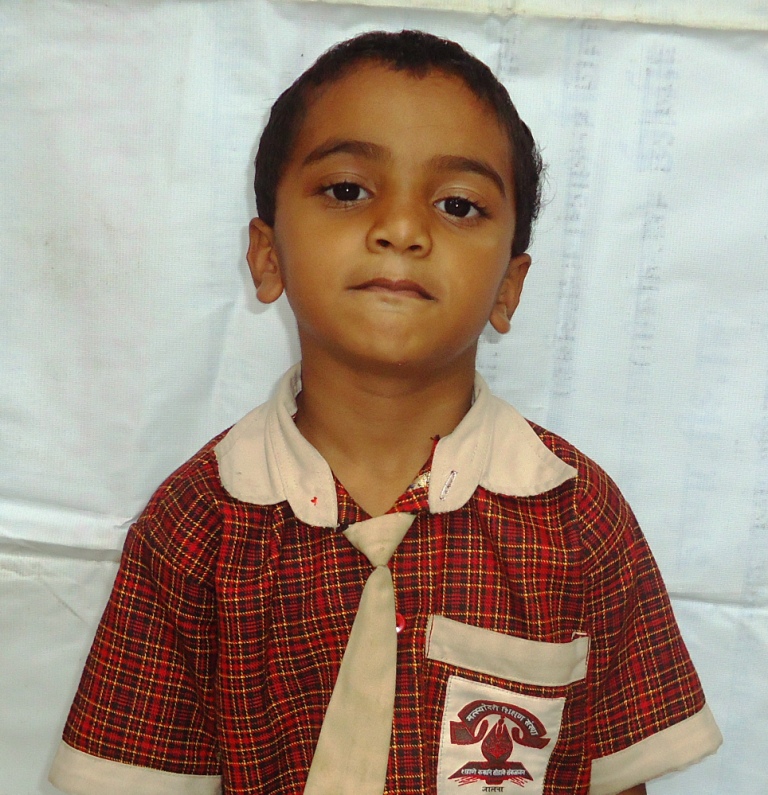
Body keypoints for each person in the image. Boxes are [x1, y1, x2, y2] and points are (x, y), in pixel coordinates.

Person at [48, 29, 722, 795]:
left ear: (509, 287)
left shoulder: (580, 520)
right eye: (348, 190)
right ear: (267, 256)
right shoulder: (195, 527)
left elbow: (618, 777)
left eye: (458, 204)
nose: (402, 229)